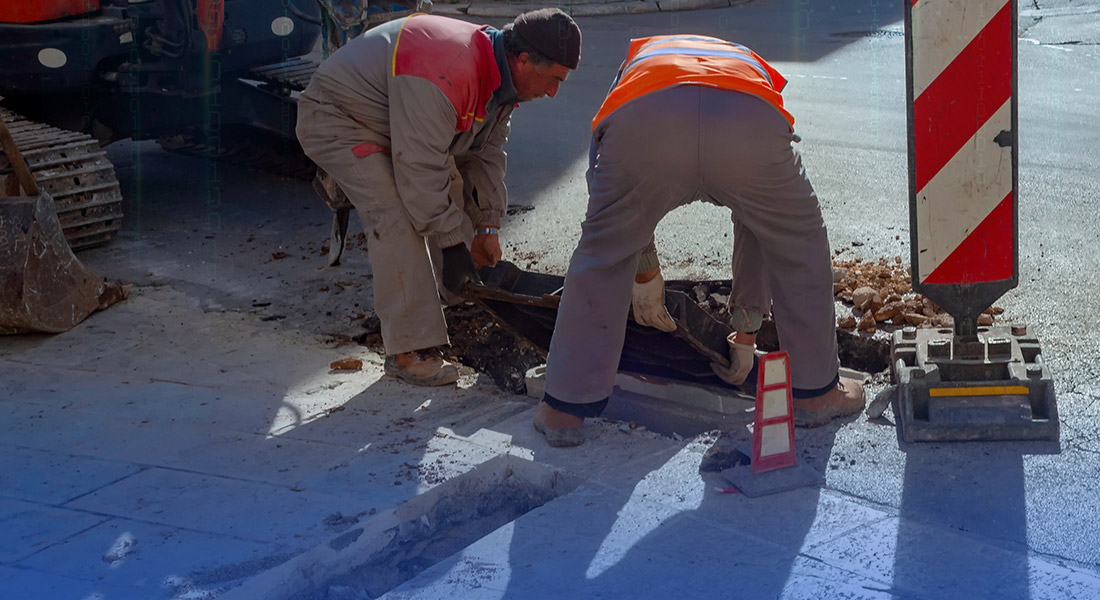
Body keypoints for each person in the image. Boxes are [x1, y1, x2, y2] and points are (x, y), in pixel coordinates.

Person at [534, 34, 864, 447]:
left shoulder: (636, 62)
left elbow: (606, 195)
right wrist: (746, 331)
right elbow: (759, 228)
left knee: (602, 253)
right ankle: (817, 395)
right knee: (798, 242)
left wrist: (644, 272)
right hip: (746, 127)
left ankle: (564, 409)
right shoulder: (749, 63)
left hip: (646, 122)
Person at [296, 9, 581, 386]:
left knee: (445, 191)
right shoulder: (451, 69)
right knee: (396, 212)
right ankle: (409, 351)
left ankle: (455, 291)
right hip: (340, 118)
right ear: (524, 61)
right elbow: (418, 170)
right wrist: (450, 245)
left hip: (400, 121)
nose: (553, 92)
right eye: (554, 80)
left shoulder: (502, 79)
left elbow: (486, 154)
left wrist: (486, 228)